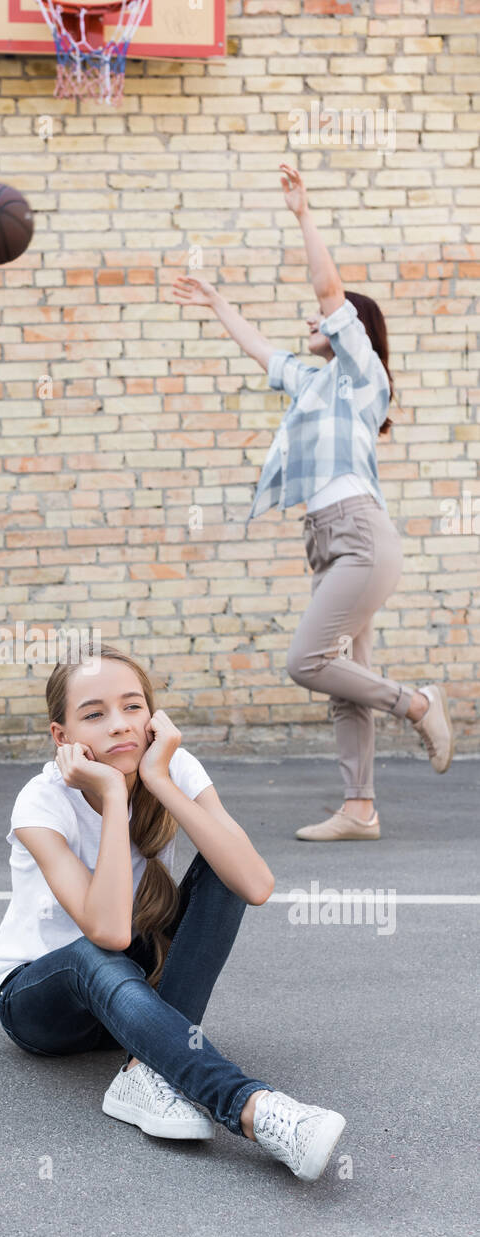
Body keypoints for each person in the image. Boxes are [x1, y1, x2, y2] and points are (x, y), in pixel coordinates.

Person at [0, 644, 348, 1182]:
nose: (119, 725)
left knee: (224, 872)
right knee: (91, 954)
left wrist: (156, 781)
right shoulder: (41, 802)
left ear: (153, 716)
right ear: (61, 737)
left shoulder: (172, 766)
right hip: (43, 1000)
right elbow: (107, 932)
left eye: (133, 707)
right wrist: (112, 794)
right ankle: (255, 1110)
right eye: (94, 714)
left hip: (130, 988)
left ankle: (143, 1070)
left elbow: (254, 883)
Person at [173, 163, 454, 841]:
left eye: (324, 316)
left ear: (350, 326)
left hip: (359, 536)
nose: (310, 317)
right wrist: (215, 304)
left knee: (306, 663)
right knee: (338, 676)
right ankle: (358, 808)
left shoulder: (364, 377)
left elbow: (326, 289)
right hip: (328, 541)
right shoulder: (311, 382)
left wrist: (302, 214)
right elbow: (260, 350)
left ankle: (415, 703)